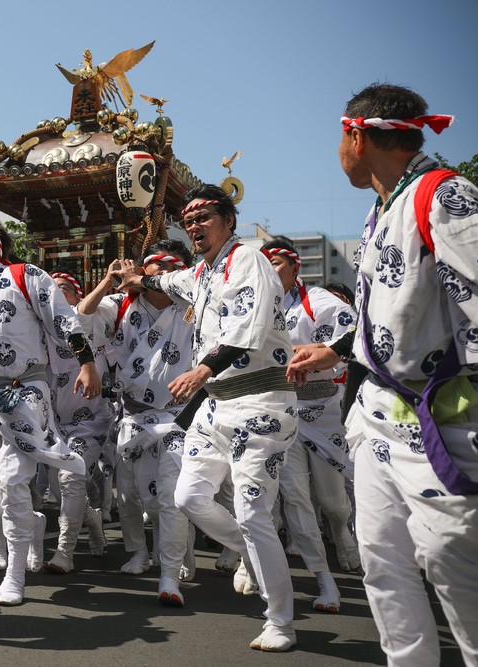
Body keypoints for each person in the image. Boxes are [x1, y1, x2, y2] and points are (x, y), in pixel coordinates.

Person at [288, 83, 478, 665]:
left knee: (455, 570)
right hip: (380, 414)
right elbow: (400, 311)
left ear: (356, 135)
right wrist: (340, 349)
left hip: (452, 414)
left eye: (338, 140)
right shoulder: (384, 206)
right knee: (382, 564)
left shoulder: (444, 196)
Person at [120, 184, 299, 651]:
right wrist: (138, 278)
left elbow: (249, 325)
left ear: (229, 221)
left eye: (204, 218)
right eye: (189, 220)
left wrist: (202, 368)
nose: (194, 227)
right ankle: (255, 553)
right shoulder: (201, 273)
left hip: (260, 401)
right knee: (189, 497)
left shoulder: (249, 260)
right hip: (216, 405)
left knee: (252, 511)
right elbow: (167, 282)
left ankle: (280, 619)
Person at [0, 219, 99, 606]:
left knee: (12, 480)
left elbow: (64, 318)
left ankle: (14, 576)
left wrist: (86, 363)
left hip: (24, 389)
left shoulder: (24, 275)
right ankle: (32, 524)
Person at [78, 241, 197, 603]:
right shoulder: (122, 304)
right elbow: (81, 316)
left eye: (166, 268)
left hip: (179, 414)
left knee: (171, 496)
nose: (156, 273)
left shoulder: (195, 305)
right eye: (151, 267)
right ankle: (139, 552)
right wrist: (109, 281)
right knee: (129, 495)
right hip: (132, 414)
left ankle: (171, 566)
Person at [262, 237, 356, 605]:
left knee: (332, 501)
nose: (270, 273)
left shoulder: (321, 302)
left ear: (296, 267)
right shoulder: (255, 307)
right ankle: (317, 574)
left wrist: (315, 354)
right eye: (264, 266)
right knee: (294, 496)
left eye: (277, 265)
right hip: (279, 413)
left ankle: (341, 529)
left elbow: (356, 338)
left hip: (324, 410)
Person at [42, 267, 111, 574]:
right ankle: (93, 520)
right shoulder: (40, 325)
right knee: (62, 491)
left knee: (71, 480)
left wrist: (107, 281)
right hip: (52, 422)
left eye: (63, 289)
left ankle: (64, 552)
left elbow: (80, 311)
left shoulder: (85, 321)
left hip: (90, 421)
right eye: (51, 290)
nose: (56, 295)